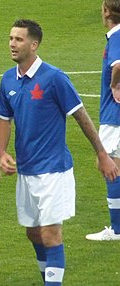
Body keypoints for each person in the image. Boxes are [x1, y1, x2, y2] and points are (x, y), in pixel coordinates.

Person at [0, 19, 118, 285]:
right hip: (26, 172)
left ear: (34, 44)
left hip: (54, 171)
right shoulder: (8, 80)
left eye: (19, 39)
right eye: (10, 38)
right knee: (34, 234)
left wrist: (102, 154)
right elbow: (4, 118)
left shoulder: (54, 78)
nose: (12, 44)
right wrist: (2, 152)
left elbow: (81, 115)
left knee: (51, 235)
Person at [86, 0, 120, 241]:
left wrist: (114, 84)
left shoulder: (116, 35)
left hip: (114, 114)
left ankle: (117, 229)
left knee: (107, 165)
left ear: (107, 11)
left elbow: (118, 64)